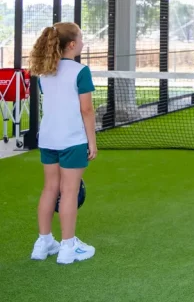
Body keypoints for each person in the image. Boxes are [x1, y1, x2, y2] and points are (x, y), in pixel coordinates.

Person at [28, 23, 97, 264]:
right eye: (81, 38)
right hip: (72, 140)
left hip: (48, 139)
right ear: (72, 45)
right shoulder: (81, 71)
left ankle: (43, 242)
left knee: (50, 189)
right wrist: (92, 142)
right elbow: (86, 110)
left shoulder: (44, 71)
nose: (83, 42)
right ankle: (68, 248)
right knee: (69, 191)